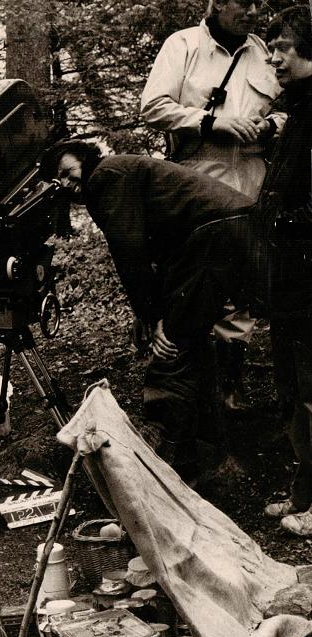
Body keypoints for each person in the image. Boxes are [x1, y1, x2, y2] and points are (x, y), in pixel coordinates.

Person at [41, 141, 256, 479]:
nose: (68, 184)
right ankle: (206, 456)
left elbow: (129, 251)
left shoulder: (105, 177)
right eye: (60, 181)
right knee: (190, 341)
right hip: (224, 232)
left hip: (214, 236)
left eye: (68, 172)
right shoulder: (121, 173)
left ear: (85, 159)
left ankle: (170, 462)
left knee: (171, 345)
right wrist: (149, 313)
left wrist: (155, 317)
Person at [140, 0, 283, 410]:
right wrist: (211, 122)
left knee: (242, 275)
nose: (254, 10)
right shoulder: (183, 45)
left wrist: (272, 125)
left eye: (260, 2)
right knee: (194, 272)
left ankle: (230, 381)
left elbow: (295, 107)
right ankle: (180, 381)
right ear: (217, 2)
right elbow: (152, 105)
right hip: (197, 172)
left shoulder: (264, 52)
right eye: (244, 1)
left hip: (253, 172)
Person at [256, 6, 312, 536]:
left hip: (308, 268)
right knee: (293, 383)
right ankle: (304, 490)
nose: (273, 56)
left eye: (284, 47)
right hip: (289, 271)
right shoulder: (296, 108)